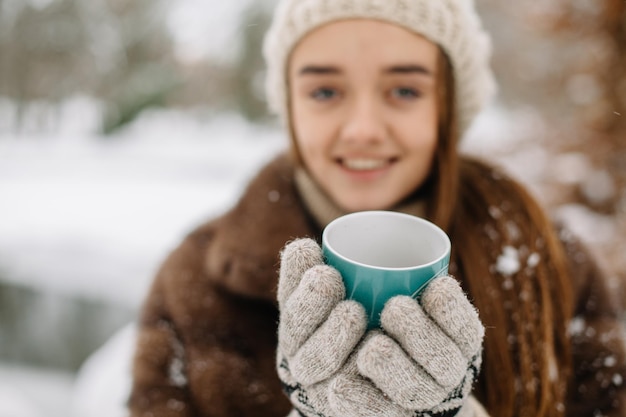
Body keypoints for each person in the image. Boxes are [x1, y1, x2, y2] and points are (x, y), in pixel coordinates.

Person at [128, 0, 626, 416]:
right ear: (290, 107)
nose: (363, 128)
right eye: (325, 91)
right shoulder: (196, 281)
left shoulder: (551, 265)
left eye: (404, 90)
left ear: (448, 107)